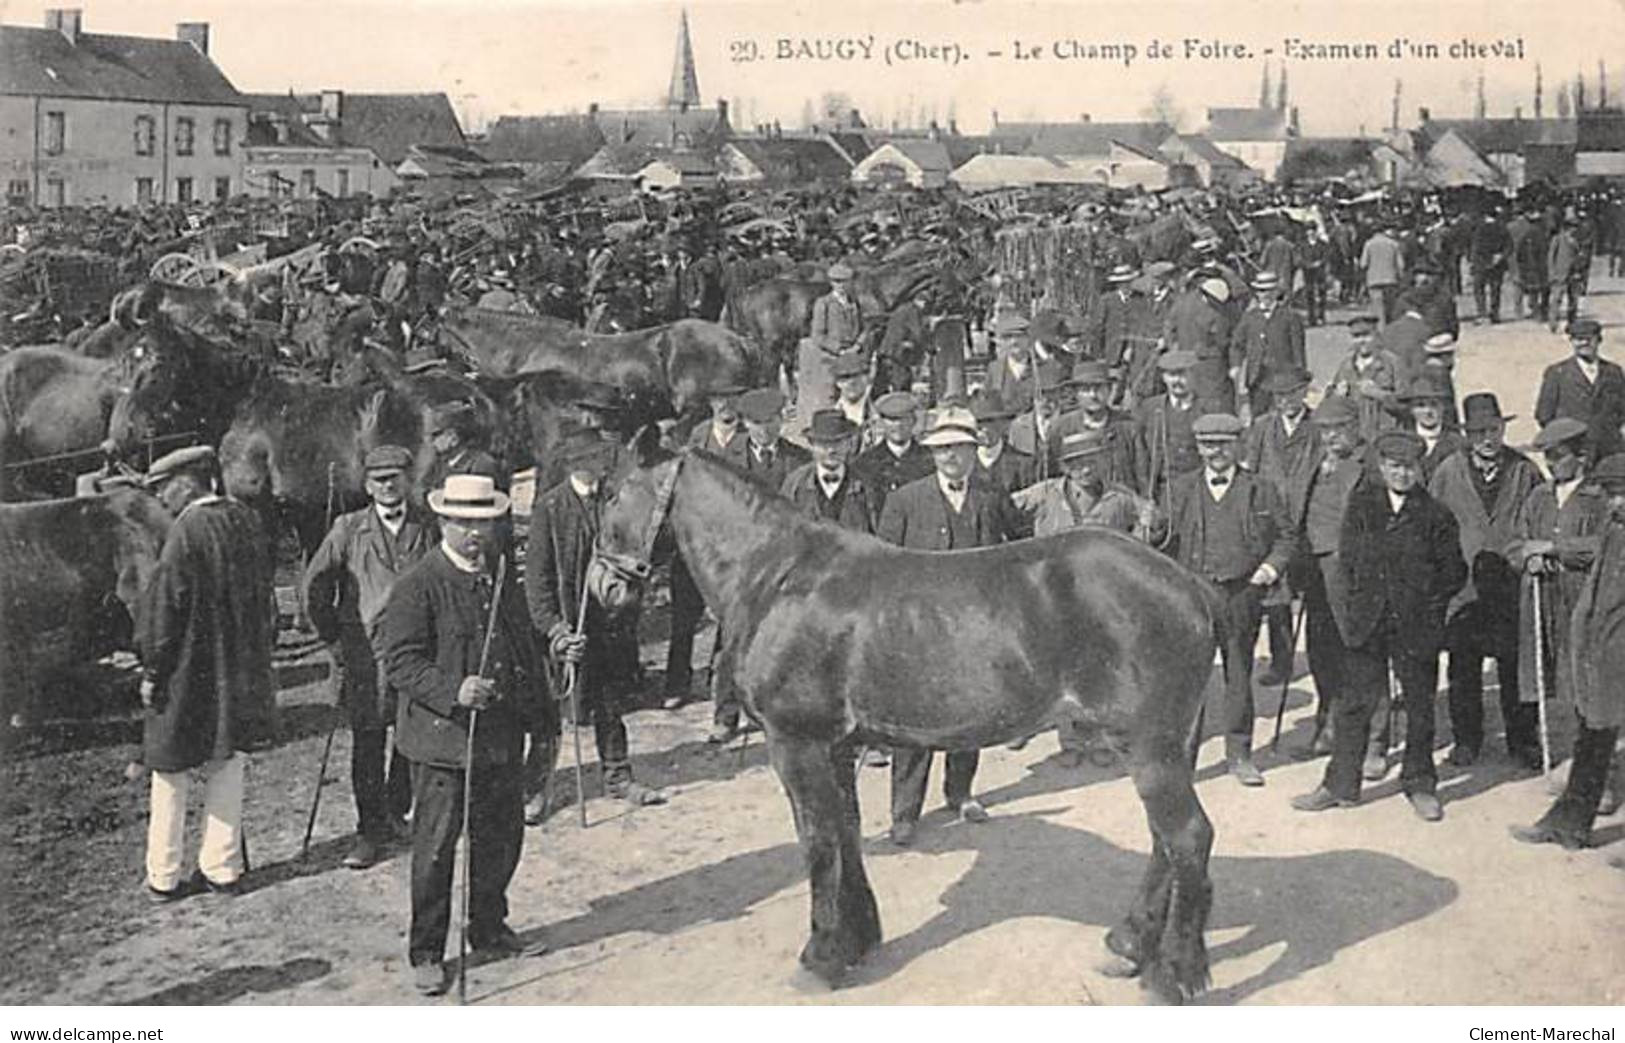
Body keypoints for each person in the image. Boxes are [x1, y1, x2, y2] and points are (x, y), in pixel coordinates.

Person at [382, 473, 550, 996]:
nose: (475, 533)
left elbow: (521, 646)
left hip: (499, 738)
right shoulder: (419, 582)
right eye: (464, 523)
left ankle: (489, 928)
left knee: (500, 841)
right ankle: (428, 951)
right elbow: (400, 662)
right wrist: (454, 690)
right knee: (436, 850)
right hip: (442, 744)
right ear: (442, 522)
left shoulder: (500, 576)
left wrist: (541, 713)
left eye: (484, 523)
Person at [1292, 431, 1466, 821]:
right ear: (1382, 467)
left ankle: (1420, 784)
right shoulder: (1363, 505)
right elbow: (1349, 560)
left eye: (1409, 467)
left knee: (1420, 707)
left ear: (1420, 469)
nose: (1402, 474)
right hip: (1368, 623)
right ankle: (1339, 785)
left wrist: (1426, 608)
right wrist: (1359, 605)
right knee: (1354, 705)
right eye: (1394, 466)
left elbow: (1453, 573)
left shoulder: (1436, 515)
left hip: (1415, 626)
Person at [137, 446, 276, 902]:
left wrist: (152, 669)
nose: (160, 498)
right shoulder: (246, 519)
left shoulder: (186, 531)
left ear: (190, 480)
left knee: (169, 767)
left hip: (188, 668)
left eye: (164, 488)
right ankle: (223, 867)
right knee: (228, 760)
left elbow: (164, 607)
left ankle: (164, 874)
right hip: (239, 666)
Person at [879, 407, 1017, 844]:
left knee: (969, 709)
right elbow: (884, 561)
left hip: (975, 626)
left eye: (958, 448)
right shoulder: (906, 499)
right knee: (913, 719)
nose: (950, 457)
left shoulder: (990, 495)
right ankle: (904, 812)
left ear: (974, 452)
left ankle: (961, 793)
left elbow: (1019, 544)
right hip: (919, 627)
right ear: (932, 455)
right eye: (942, 450)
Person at [303, 445, 436, 869]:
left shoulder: (428, 526)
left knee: (411, 735)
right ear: (367, 485)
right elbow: (314, 588)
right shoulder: (348, 529)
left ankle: (396, 811)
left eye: (396, 477)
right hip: (368, 655)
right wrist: (337, 641)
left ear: (408, 480)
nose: (388, 485)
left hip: (418, 652)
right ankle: (369, 831)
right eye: (380, 479)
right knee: (368, 741)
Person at [527, 432, 668, 807]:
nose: (594, 466)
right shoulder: (550, 508)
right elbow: (537, 581)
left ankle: (618, 776)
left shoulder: (615, 501)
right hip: (567, 627)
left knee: (611, 704)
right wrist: (555, 630)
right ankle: (538, 788)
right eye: (585, 459)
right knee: (551, 715)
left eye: (598, 458)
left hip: (609, 625)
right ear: (571, 464)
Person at [1167, 413, 1297, 786]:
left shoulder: (1261, 489)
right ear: (1198, 448)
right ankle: (1184, 761)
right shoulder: (1182, 489)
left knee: (1238, 672)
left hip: (1242, 593)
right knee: (1191, 679)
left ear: (1236, 446)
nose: (1216, 452)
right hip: (1194, 596)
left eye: (1223, 444)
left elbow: (1287, 537)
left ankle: (1239, 755)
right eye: (1209, 445)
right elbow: (1167, 542)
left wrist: (1268, 571)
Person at [1511, 454, 1625, 849]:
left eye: (1621, 494)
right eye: (1611, 495)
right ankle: (1568, 824)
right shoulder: (1615, 527)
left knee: (1597, 738)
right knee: (1592, 741)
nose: (1615, 503)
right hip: (1603, 653)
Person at [1426, 394, 1543, 770]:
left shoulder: (1524, 470)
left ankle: (1523, 741)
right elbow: (1432, 522)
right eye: (1478, 432)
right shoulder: (1448, 470)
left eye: (1493, 430)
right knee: (1463, 666)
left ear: (1503, 429)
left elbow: (1542, 515)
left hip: (1512, 585)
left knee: (1515, 665)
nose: (1487, 439)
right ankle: (1467, 740)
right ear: (1467, 435)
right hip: (1465, 588)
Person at [1505, 418, 1610, 787]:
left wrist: (1555, 548)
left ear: (1580, 456)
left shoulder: (1600, 497)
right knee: (1557, 682)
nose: (1552, 464)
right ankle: (1570, 764)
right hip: (1544, 598)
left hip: (1585, 600)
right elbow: (1516, 541)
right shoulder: (1539, 496)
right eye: (1548, 457)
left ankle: (1600, 776)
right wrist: (1526, 557)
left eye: (1559, 457)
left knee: (1588, 683)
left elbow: (1605, 546)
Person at [1294, 396, 1368, 757]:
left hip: (1353, 573)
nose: (1331, 437)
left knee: (1359, 653)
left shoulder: (1369, 464)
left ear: (1355, 426)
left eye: (1338, 428)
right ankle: (1327, 723)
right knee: (1322, 652)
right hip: (1316, 572)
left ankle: (1372, 739)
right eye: (1324, 430)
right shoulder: (1315, 462)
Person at [1240, 367, 1321, 688]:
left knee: (1314, 593)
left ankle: (1320, 656)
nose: (1287, 401)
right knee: (1276, 596)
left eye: (1293, 393)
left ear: (1304, 392)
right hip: (1273, 521)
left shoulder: (1317, 428)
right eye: (1280, 396)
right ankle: (1281, 661)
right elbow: (1249, 469)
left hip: (1308, 520)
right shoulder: (1262, 428)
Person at [1534, 319, 1625, 465]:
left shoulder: (1614, 372)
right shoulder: (1557, 373)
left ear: (1599, 340)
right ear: (1571, 341)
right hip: (1572, 451)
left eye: (1589, 339)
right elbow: (1544, 414)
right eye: (1578, 339)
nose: (1583, 343)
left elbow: (1621, 410)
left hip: (1609, 449)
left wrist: (1605, 431)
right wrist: (1564, 440)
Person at [1048, 359, 1140, 490]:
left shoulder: (1128, 427)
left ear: (1109, 390)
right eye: (1086, 389)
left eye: (1099, 388)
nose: (1093, 395)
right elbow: (1052, 476)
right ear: (1075, 394)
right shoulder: (1061, 428)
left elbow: (1142, 476)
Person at [1230, 270, 1306, 422]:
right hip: (1257, 378)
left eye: (1269, 291)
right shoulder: (1250, 317)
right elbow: (1237, 344)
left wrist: (1299, 377)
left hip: (1282, 377)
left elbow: (1298, 350)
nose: (1265, 295)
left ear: (1277, 292)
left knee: (1283, 415)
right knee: (1258, 416)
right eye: (1261, 291)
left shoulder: (1290, 317)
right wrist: (1235, 365)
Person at [1133, 349, 1204, 508]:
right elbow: (1141, 452)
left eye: (1183, 374)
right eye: (1172, 375)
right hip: (1161, 491)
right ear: (1164, 378)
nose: (1177, 381)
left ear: (1194, 375)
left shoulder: (1207, 410)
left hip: (1197, 492)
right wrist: (1146, 493)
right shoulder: (1151, 409)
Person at [854, 390, 934, 515]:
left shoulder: (930, 460)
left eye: (904, 419)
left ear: (914, 421)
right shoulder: (864, 463)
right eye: (892, 419)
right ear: (881, 423)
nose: (898, 425)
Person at [1327, 313, 1399, 443]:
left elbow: (1405, 404)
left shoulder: (1391, 363)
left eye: (1366, 335)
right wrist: (1336, 396)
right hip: (1355, 439)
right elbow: (1330, 405)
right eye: (1356, 336)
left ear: (1376, 335)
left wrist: (1379, 394)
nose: (1361, 341)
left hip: (1384, 435)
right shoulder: (1346, 366)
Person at [736, 387, 809, 492]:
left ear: (781, 419)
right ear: (745, 423)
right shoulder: (727, 457)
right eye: (757, 423)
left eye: (770, 421)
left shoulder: (801, 457)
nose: (764, 430)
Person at [969, 389, 1036, 500]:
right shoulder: (963, 464)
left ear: (1003, 423)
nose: (985, 429)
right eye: (979, 423)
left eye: (990, 421)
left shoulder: (1024, 465)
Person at [686, 382, 751, 468]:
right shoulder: (700, 433)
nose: (726, 404)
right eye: (720, 399)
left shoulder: (750, 434)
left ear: (740, 401)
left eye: (732, 398)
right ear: (711, 403)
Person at [1469, 210, 1512, 325]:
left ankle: (1482, 313)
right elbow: (1509, 246)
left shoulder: (1478, 229)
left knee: (1479, 289)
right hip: (1497, 263)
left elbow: (1475, 247)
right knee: (1495, 289)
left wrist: (1472, 262)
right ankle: (1495, 314)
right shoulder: (1502, 228)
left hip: (1481, 262)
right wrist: (1500, 256)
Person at [1359, 222, 1405, 328]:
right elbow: (1401, 265)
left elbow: (1363, 264)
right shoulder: (1393, 244)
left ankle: (1381, 331)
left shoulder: (1369, 244)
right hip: (1391, 280)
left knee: (1378, 310)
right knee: (1390, 309)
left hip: (1374, 281)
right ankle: (1391, 331)